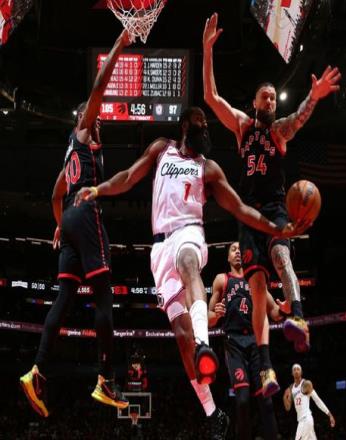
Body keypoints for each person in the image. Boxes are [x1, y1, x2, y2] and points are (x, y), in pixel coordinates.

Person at [75, 106, 303, 438]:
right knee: (181, 336)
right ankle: (212, 412)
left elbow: (240, 208)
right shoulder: (161, 149)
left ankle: (203, 345)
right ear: (185, 125)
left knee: (188, 264)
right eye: (200, 123)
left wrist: (277, 228)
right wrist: (98, 190)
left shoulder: (208, 168)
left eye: (207, 126)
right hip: (159, 249)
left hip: (189, 233)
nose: (205, 129)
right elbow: (128, 176)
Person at [203, 12, 341, 396]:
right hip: (248, 215)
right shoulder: (242, 126)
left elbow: (299, 118)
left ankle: (299, 317)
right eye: (265, 96)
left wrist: (313, 97)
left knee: (282, 257)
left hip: (276, 208)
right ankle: (265, 368)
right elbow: (211, 98)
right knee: (258, 287)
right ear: (254, 102)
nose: (270, 100)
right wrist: (207, 50)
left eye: (274, 97)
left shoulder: (279, 131)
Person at [19, 30, 133, 418]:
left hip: (69, 217)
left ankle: (37, 370)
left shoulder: (71, 152)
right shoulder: (82, 131)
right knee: (103, 295)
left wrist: (59, 225)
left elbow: (55, 195)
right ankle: (105, 379)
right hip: (84, 212)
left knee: (65, 296)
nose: (99, 122)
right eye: (96, 117)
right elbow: (100, 85)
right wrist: (118, 44)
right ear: (88, 117)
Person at [209, 241, 287, 440]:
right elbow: (207, 318)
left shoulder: (255, 279)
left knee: (266, 400)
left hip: (255, 342)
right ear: (228, 257)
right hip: (233, 343)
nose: (237, 252)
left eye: (240, 249)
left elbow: (274, 312)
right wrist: (215, 314)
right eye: (233, 249)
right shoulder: (221, 279)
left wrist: (284, 308)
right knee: (242, 400)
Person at [283, 363, 335, 440]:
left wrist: (329, 414)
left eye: (298, 369)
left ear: (301, 372)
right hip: (301, 420)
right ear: (292, 373)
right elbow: (288, 408)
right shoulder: (291, 388)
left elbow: (317, 400)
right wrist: (284, 397)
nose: (296, 371)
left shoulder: (306, 384)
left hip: (306, 419)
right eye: (294, 369)